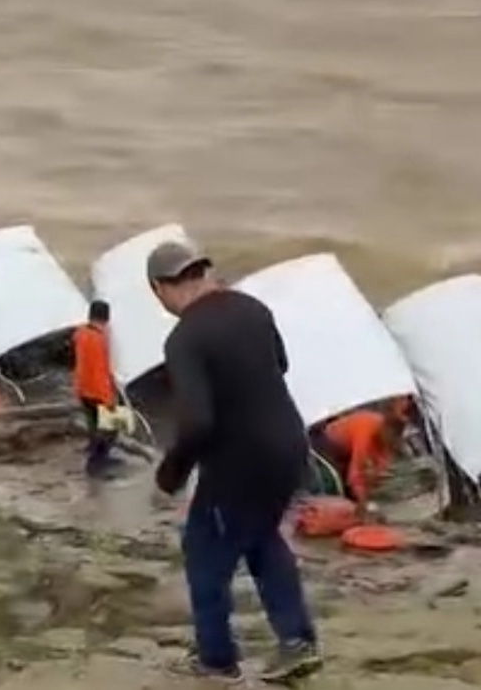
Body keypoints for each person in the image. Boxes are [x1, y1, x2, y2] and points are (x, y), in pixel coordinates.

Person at [147, 240, 322, 684]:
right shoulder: (253, 309)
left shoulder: (184, 338)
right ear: (203, 272)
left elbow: (197, 422)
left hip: (238, 463)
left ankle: (216, 660)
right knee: (262, 538)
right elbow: (280, 364)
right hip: (288, 447)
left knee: (205, 551)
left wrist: (170, 475)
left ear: (160, 289)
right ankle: (298, 642)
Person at [312, 400, 408, 510]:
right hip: (325, 445)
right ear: (385, 429)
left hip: (349, 448)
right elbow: (355, 476)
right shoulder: (367, 432)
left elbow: (380, 468)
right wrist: (364, 502)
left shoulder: (390, 440)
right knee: (343, 485)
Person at [72, 299, 116, 478]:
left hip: (82, 388)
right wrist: (109, 398)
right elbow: (99, 372)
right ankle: (96, 465)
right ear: (106, 319)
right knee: (114, 426)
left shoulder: (81, 333)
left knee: (93, 426)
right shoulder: (98, 340)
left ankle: (96, 456)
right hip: (97, 390)